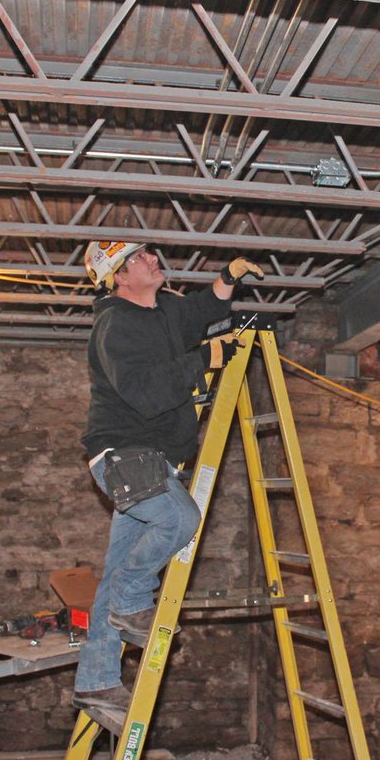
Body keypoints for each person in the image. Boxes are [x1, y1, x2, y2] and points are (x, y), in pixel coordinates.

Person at [72, 240, 264, 733]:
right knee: (179, 518)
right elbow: (147, 392)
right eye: (138, 259)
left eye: (148, 253)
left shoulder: (163, 312)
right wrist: (202, 359)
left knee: (117, 571)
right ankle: (132, 600)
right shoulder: (116, 325)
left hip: (150, 459)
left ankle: (96, 681)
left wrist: (227, 277)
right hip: (124, 454)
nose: (151, 260)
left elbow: (200, 311)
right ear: (118, 278)